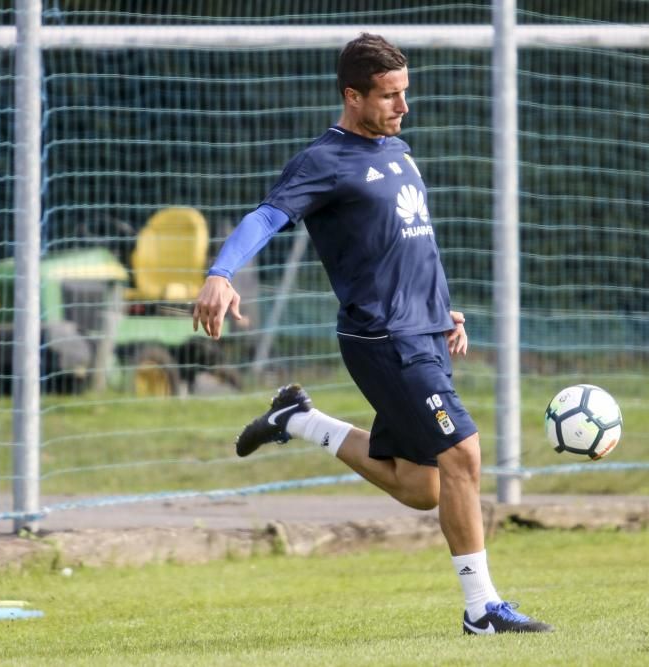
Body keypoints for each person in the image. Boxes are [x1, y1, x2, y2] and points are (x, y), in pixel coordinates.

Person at [192, 33, 552, 635]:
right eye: (388, 96)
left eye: (404, 93)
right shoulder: (323, 162)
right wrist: (220, 273)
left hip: (423, 331)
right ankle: (482, 609)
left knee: (421, 488)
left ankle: (300, 420)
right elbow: (265, 217)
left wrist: (441, 311)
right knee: (463, 453)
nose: (402, 106)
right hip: (385, 339)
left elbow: (412, 245)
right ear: (352, 96)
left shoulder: (399, 148)